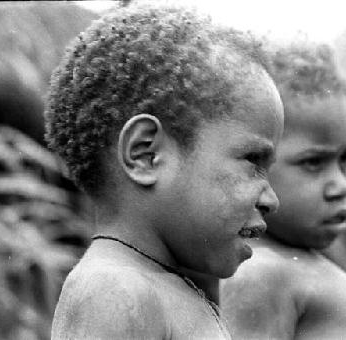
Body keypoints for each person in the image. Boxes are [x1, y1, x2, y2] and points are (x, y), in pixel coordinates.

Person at [45, 3, 284, 339]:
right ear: (146, 154)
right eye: (253, 162)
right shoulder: (114, 289)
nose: (271, 199)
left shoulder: (163, 286)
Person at [220, 42, 346, 340]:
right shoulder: (258, 276)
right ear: (256, 165)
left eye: (344, 161)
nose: (340, 187)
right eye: (313, 162)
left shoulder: (298, 264)